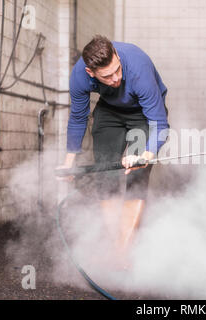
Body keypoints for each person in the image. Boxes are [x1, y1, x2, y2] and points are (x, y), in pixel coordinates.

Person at [59, 35, 169, 265]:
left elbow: (159, 123)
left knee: (137, 174)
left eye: (117, 70)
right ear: (91, 73)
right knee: (105, 177)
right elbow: (78, 118)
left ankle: (123, 253)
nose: (116, 78)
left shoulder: (138, 67)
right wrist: (70, 161)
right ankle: (115, 243)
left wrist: (146, 155)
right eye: (107, 76)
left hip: (143, 113)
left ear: (117, 56)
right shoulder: (80, 76)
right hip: (109, 112)